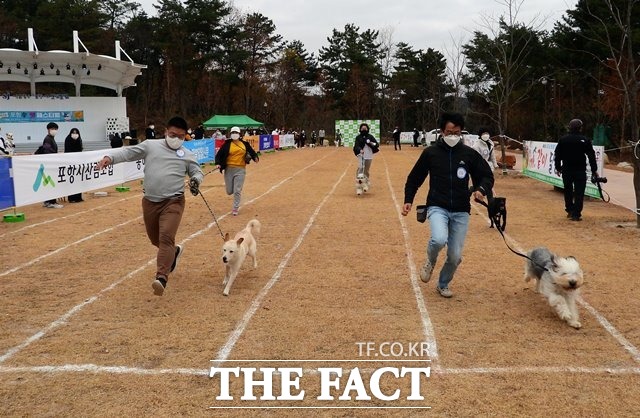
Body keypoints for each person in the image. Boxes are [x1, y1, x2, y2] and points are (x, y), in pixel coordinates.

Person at [95, 116, 204, 296]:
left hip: (174, 201)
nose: (176, 139)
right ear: (165, 132)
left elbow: (197, 171)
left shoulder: (186, 154)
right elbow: (128, 153)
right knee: (156, 240)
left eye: (181, 136)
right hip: (151, 202)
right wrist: (109, 158)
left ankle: (161, 277)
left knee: (166, 237)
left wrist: (196, 180)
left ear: (186, 137)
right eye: (173, 134)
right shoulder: (151, 145)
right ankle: (174, 252)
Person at [402, 112, 494, 298]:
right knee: (438, 239)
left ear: (462, 132)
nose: (453, 136)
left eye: (457, 132)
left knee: (455, 256)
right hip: (438, 206)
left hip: (461, 210)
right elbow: (414, 178)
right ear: (442, 132)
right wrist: (408, 200)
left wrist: (481, 190)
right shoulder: (431, 153)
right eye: (449, 132)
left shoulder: (469, 154)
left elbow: (486, 175)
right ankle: (430, 259)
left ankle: (443, 283)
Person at [554, 118, 598, 221]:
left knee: (568, 191)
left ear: (569, 127)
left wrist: (558, 167)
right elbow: (591, 155)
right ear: (580, 128)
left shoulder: (563, 139)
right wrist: (594, 169)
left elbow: (558, 155)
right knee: (579, 192)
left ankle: (570, 210)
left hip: (567, 170)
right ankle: (576, 214)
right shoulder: (585, 140)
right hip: (580, 170)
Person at [214, 126, 260, 216]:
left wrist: (255, 157)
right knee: (229, 191)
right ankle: (234, 193)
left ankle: (235, 208)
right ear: (230, 134)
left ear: (239, 134)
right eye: (233, 133)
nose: (234, 134)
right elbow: (219, 155)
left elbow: (252, 152)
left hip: (240, 169)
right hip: (229, 169)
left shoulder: (245, 144)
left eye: (236, 132)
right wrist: (218, 163)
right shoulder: (227, 144)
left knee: (237, 190)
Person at [41, 122, 64, 209]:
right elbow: (47, 150)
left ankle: (48, 201)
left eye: (55, 129)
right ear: (48, 130)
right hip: (49, 163)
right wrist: (55, 155)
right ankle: (51, 202)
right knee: (51, 183)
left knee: (50, 183)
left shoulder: (51, 138)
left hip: (51, 161)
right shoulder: (47, 139)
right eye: (52, 129)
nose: (54, 130)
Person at [352, 122, 380, 195]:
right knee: (360, 168)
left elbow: (376, 144)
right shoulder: (358, 137)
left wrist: (370, 142)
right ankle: (359, 184)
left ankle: (366, 182)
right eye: (362, 128)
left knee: (366, 170)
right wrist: (360, 150)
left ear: (367, 129)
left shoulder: (370, 137)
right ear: (360, 129)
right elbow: (356, 146)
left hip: (369, 156)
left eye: (365, 128)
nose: (364, 129)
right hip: (361, 155)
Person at [64, 128, 84, 203]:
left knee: (79, 180)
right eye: (73, 132)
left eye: (76, 132)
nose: (75, 134)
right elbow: (68, 151)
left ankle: (78, 197)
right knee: (72, 181)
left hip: (78, 163)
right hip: (71, 163)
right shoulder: (68, 139)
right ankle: (72, 198)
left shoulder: (79, 139)